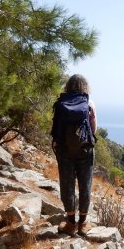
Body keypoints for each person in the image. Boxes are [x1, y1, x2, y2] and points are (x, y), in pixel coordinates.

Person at [51, 74, 97, 237]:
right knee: (85, 186)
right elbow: (94, 129)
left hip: (65, 151)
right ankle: (83, 224)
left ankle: (70, 223)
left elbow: (55, 129)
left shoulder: (60, 103)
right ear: (85, 87)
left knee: (67, 186)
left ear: (68, 86)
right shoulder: (88, 103)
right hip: (85, 150)